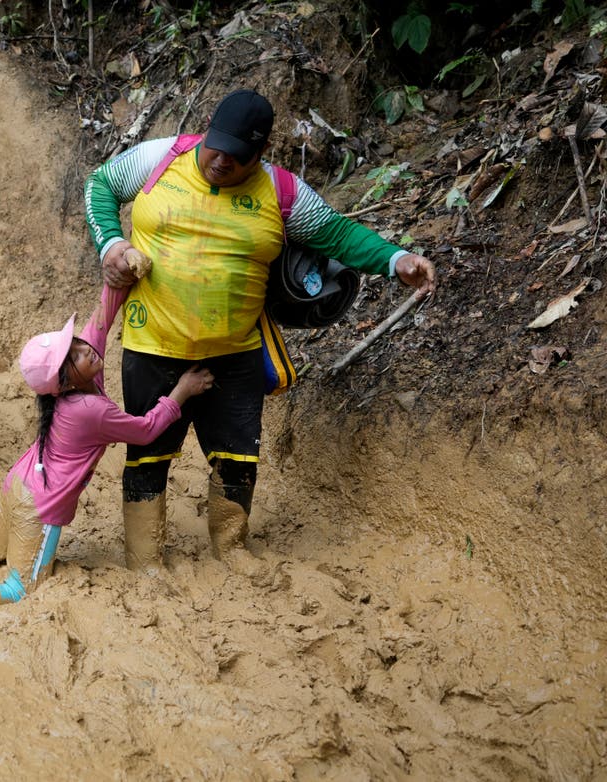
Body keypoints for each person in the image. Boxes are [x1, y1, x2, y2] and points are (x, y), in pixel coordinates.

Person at [83, 89, 437, 572]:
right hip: (152, 345)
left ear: (262, 153)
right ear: (206, 131)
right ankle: (144, 555)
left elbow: (337, 234)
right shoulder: (161, 159)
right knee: (148, 453)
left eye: (238, 155)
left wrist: (397, 259)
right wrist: (111, 244)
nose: (222, 161)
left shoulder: (282, 191)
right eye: (216, 146)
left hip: (236, 352)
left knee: (236, 456)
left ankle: (230, 548)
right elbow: (99, 185)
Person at [0, 283, 213, 604]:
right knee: (20, 590)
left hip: (18, 486)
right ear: (65, 380)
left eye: (75, 343)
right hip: (39, 510)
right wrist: (183, 390)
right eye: (74, 353)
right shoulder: (91, 410)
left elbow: (100, 324)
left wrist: (115, 282)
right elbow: (145, 430)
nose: (85, 349)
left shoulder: (79, 380)